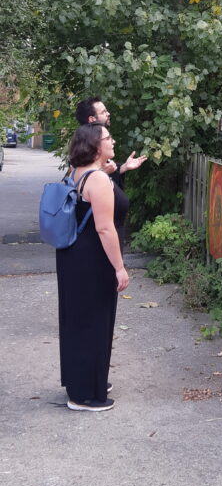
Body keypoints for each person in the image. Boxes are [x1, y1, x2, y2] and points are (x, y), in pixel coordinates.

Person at [56, 123, 130, 412]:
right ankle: (86, 395)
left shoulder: (75, 172)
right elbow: (104, 228)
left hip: (73, 256)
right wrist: (120, 267)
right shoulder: (97, 179)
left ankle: (78, 387)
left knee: (77, 322)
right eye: (108, 138)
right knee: (96, 323)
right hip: (93, 260)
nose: (113, 141)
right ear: (97, 147)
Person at [75, 96, 147, 185]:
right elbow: (84, 184)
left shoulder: (91, 140)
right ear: (92, 119)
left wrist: (124, 167)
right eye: (103, 112)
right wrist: (103, 174)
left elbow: (108, 171)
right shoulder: (84, 145)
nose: (108, 113)